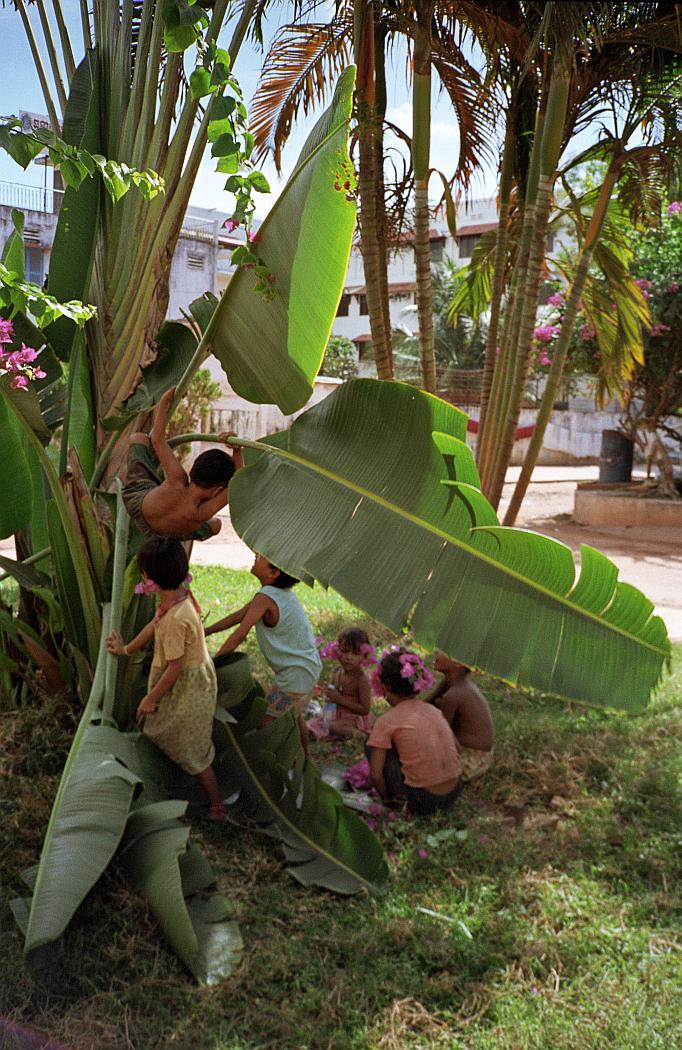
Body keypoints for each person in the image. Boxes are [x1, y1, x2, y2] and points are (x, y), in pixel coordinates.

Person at [106, 536, 225, 821]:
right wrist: (125, 649)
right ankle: (174, 784)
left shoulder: (176, 619)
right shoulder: (177, 596)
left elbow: (174, 668)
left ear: (150, 577)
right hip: (186, 681)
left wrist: (149, 698)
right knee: (167, 733)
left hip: (187, 686)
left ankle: (217, 805)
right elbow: (151, 627)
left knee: (192, 749)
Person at [205, 554, 322, 753]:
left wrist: (213, 664)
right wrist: (205, 631)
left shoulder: (266, 597)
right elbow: (238, 616)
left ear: (274, 572)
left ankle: (281, 762)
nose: (256, 557)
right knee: (293, 715)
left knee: (268, 722)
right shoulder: (277, 593)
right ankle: (305, 758)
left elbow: (239, 635)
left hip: (295, 677)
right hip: (305, 671)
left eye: (262, 557)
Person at [122, 385, 244, 541]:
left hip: (137, 506)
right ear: (216, 491)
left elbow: (157, 439)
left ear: (194, 468)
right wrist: (237, 449)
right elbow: (237, 485)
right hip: (171, 533)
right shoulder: (202, 512)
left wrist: (166, 400)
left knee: (138, 438)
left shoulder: (177, 480)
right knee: (216, 525)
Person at [367, 647, 463, 816]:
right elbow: (458, 748)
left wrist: (388, 801)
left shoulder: (386, 721)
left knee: (370, 744)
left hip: (423, 800)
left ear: (384, 687)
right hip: (455, 791)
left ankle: (399, 801)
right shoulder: (434, 710)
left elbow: (376, 775)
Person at [423, 651, 494, 782]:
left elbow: (443, 737)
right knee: (437, 705)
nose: (436, 653)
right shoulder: (451, 682)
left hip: (473, 758)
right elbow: (425, 705)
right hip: (477, 752)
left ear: (458, 664)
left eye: (443, 652)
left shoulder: (454, 694)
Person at [315, 627, 375, 740]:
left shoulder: (362, 679)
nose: (349, 657)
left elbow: (365, 709)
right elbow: (333, 699)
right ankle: (335, 734)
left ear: (365, 656)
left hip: (355, 719)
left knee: (334, 727)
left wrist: (339, 699)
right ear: (337, 652)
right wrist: (329, 696)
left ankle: (362, 736)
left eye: (355, 653)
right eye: (345, 651)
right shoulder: (337, 673)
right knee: (315, 724)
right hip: (338, 715)